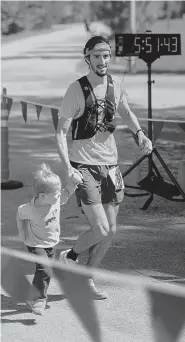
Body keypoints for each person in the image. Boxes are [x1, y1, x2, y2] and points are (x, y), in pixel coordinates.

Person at [56, 35, 153, 300]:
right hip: (84, 165)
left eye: (106, 55)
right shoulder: (76, 89)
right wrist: (67, 167)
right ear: (87, 58)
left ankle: (86, 278)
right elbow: (61, 132)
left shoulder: (115, 84)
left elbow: (126, 112)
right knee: (99, 228)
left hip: (110, 165)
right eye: (97, 56)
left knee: (110, 231)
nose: (102, 61)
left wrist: (140, 134)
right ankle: (70, 256)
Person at [16, 163, 80, 315]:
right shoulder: (29, 209)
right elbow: (19, 213)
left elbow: (66, 193)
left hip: (51, 242)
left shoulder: (54, 199)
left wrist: (74, 182)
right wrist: (21, 231)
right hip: (35, 243)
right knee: (45, 268)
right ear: (43, 196)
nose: (59, 195)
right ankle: (39, 299)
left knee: (45, 271)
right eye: (56, 193)